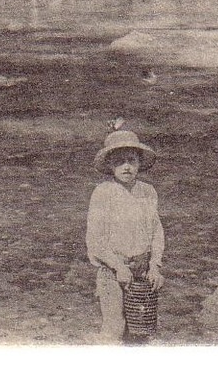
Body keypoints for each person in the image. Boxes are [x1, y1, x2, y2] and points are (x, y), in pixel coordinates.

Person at [86, 127, 165, 343]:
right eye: (120, 162)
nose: (127, 167)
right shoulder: (103, 193)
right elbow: (95, 240)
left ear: (139, 163)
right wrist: (118, 267)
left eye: (132, 160)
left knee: (142, 329)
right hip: (112, 269)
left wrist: (155, 265)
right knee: (114, 328)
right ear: (111, 165)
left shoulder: (148, 191)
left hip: (142, 269)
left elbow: (156, 231)